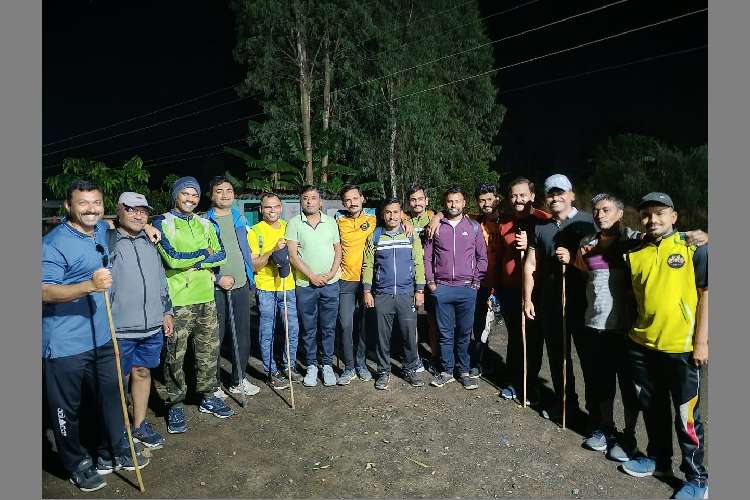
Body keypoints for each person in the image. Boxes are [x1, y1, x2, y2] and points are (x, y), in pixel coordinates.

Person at [42, 180, 148, 492]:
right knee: (68, 408)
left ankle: (112, 448)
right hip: (65, 343)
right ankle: (75, 463)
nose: (91, 209)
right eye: (83, 203)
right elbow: (44, 291)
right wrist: (89, 286)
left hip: (102, 335)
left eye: (96, 203)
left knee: (111, 397)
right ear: (68, 206)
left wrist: (147, 227)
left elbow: (116, 223)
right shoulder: (53, 243)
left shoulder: (101, 228)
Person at [619, 193, 709, 499]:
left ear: (674, 216)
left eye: (659, 213)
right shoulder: (633, 252)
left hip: (682, 348)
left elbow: (707, 294)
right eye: (646, 214)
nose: (652, 219)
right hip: (642, 346)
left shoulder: (694, 247)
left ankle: (697, 479)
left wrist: (701, 342)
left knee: (686, 416)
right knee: (652, 407)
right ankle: (658, 460)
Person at [151, 176, 233, 434]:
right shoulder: (162, 222)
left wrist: (196, 263)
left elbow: (221, 254)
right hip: (178, 300)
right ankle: (174, 402)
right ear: (176, 195)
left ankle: (207, 395)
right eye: (185, 193)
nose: (190, 199)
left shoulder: (206, 223)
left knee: (208, 351)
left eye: (195, 195)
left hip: (206, 297)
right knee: (175, 354)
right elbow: (172, 259)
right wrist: (202, 256)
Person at [570, 193, 641, 462]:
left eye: (606, 210)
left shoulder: (636, 241)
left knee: (629, 387)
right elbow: (583, 278)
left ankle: (629, 435)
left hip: (628, 328)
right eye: (596, 211)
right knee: (602, 384)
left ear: (620, 213)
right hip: (595, 326)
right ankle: (606, 429)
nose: (600, 215)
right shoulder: (587, 244)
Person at [523, 174, 595, 423]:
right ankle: (566, 404)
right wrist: (528, 299)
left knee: (589, 360)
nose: (555, 198)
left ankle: (597, 416)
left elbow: (607, 259)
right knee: (558, 357)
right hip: (552, 303)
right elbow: (531, 264)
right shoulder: (541, 227)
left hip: (585, 305)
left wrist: (574, 258)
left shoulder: (590, 221)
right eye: (551, 194)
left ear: (571, 194)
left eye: (560, 192)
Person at [108, 192, 172, 450]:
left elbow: (161, 278)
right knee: (118, 382)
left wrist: (167, 311)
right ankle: (118, 430)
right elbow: (84, 219)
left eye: (143, 211)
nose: (138, 215)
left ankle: (139, 424)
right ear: (119, 210)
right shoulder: (108, 239)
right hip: (120, 328)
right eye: (132, 209)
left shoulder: (150, 242)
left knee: (143, 373)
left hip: (152, 326)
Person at [425, 182, 504, 379]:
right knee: (458, 329)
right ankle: (454, 368)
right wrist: (431, 283)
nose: (486, 203)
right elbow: (427, 256)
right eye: (482, 200)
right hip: (457, 285)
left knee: (474, 329)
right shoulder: (473, 220)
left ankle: (472, 365)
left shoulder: (501, 221)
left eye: (490, 199)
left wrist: (475, 281)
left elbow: (481, 257)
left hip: (491, 283)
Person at [204, 176, 261, 398]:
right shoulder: (204, 222)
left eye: (229, 190)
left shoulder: (240, 219)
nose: (225, 194)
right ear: (211, 196)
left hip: (241, 284)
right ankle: (214, 384)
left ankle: (239, 379)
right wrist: (217, 278)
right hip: (216, 287)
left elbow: (248, 249)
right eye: (219, 191)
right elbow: (199, 259)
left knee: (243, 335)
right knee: (215, 337)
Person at [495, 177, 551, 404]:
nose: (518, 200)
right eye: (514, 196)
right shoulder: (504, 222)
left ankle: (530, 383)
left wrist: (530, 246)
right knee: (515, 337)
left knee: (534, 339)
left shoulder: (543, 221)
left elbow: (549, 254)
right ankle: (512, 380)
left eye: (522, 195)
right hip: (509, 290)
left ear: (532, 196)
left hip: (534, 292)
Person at [361, 197, 427, 390]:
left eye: (396, 212)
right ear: (383, 215)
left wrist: (420, 290)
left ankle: (410, 369)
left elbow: (419, 263)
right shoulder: (375, 236)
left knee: (409, 335)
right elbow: (368, 265)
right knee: (382, 337)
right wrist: (367, 290)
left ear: (401, 213)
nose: (392, 216)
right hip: (383, 294)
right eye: (388, 212)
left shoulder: (410, 235)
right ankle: (383, 371)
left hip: (407, 294)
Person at [285, 185, 343, 387]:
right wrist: (311, 276)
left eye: (313, 198)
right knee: (309, 327)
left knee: (328, 327)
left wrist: (331, 273)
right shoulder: (294, 223)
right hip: (305, 284)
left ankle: (326, 364)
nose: (309, 201)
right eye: (305, 198)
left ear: (320, 202)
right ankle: (311, 365)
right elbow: (293, 255)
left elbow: (338, 250)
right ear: (301, 201)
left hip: (330, 283)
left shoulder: (331, 222)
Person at [247, 192, 303, 388]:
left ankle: (289, 366)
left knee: (292, 329)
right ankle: (271, 371)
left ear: (281, 208)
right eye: (268, 207)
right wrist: (273, 252)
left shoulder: (289, 227)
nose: (272, 210)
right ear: (261, 209)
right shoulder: (254, 231)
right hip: (266, 289)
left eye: (276, 206)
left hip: (288, 287)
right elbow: (254, 265)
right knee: (267, 331)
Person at [334, 184, 377, 384]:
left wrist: (406, 220)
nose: (352, 202)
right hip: (345, 280)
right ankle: (349, 367)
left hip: (368, 281)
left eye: (355, 198)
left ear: (362, 198)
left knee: (364, 324)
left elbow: (397, 214)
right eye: (347, 200)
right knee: (346, 324)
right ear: (343, 203)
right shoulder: (338, 220)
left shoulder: (374, 217)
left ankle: (361, 363)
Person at [406, 185, 439, 373]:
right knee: (412, 319)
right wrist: (404, 219)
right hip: (411, 277)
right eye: (413, 200)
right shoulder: (404, 221)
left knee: (433, 319)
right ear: (408, 203)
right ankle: (415, 357)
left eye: (420, 199)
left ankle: (435, 357)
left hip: (432, 276)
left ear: (427, 200)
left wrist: (437, 216)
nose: (417, 203)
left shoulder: (434, 218)